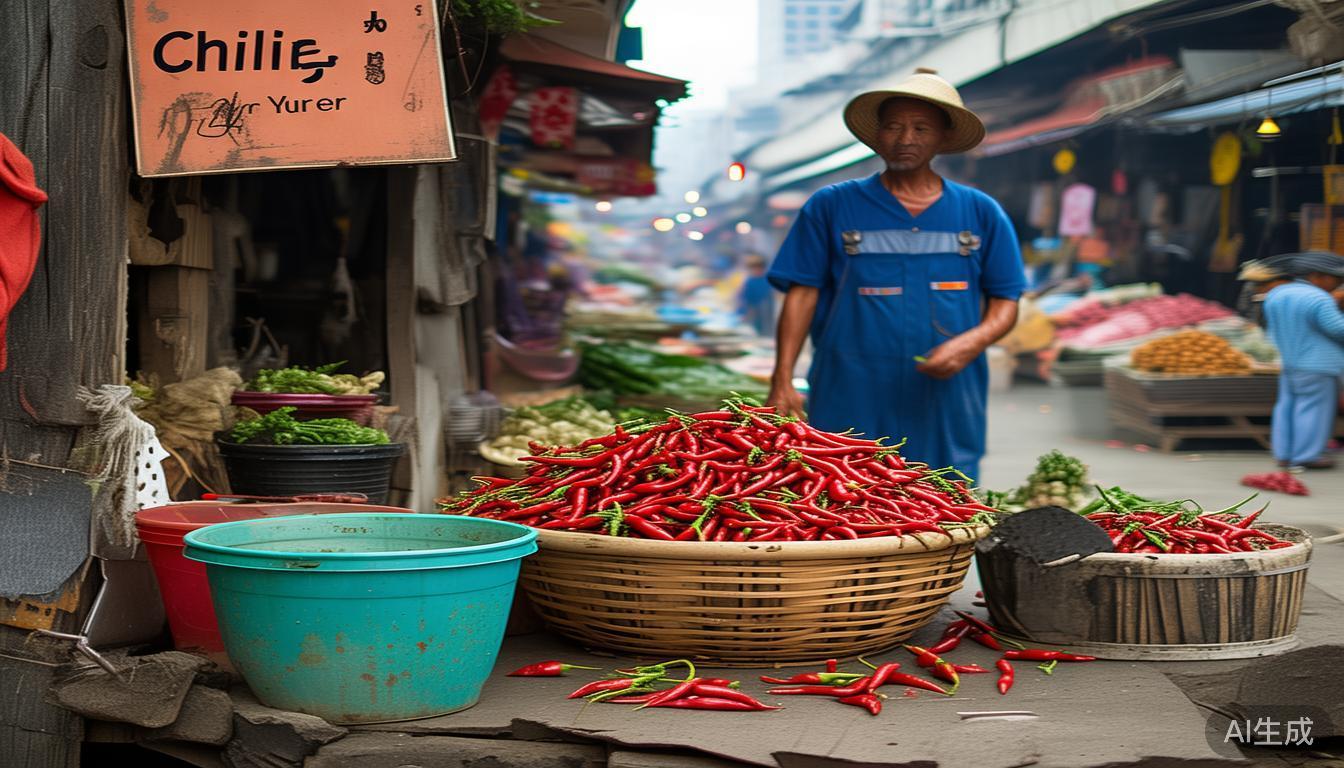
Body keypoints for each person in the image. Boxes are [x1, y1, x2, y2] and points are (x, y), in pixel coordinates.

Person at [766, 69, 1026, 482]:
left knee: (945, 500)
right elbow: (802, 293)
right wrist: (782, 378)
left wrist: (970, 343)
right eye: (893, 127)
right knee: (845, 496)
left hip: (946, 391)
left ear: (942, 136)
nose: (906, 139)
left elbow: (1007, 300)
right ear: (876, 135)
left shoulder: (980, 212)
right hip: (850, 385)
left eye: (921, 127)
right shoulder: (831, 205)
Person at [1262, 251, 1344, 470]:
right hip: (1318, 364)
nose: (1337, 284)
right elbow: (1338, 329)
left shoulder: (1277, 293)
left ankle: (1284, 454)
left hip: (1288, 361)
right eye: (1335, 279)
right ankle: (1307, 455)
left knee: (1287, 406)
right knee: (1314, 409)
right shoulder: (1319, 298)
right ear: (1317, 276)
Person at [737, 253, 775, 337]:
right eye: (752, 268)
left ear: (762, 267)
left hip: (763, 313)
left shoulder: (767, 280)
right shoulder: (750, 281)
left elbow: (765, 300)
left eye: (758, 268)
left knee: (765, 333)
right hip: (753, 315)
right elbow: (745, 299)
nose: (755, 270)